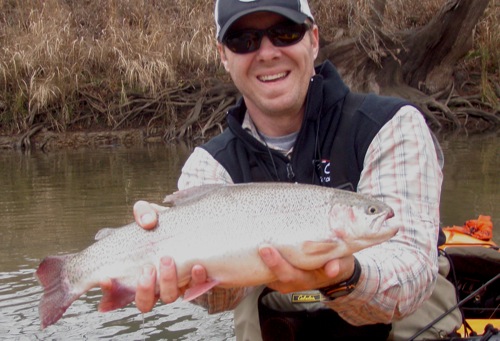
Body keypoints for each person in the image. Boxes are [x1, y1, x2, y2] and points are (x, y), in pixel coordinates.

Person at [116, 0, 462, 339]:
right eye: (244, 40)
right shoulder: (209, 166)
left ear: (313, 40)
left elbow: (412, 268)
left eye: (285, 33)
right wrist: (171, 273)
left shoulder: (391, 126)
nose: (267, 52)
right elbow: (218, 299)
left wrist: (341, 274)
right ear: (223, 55)